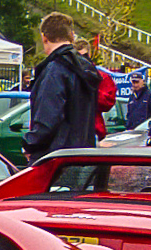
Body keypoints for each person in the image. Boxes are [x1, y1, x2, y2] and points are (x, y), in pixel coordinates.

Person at [22, 12, 101, 164]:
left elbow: (48, 119)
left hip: (55, 159)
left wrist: (30, 144)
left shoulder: (55, 70)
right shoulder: (86, 69)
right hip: (83, 155)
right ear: (71, 35)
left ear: (44, 37)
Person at [73, 39, 115, 139]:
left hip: (92, 130)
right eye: (78, 56)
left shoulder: (101, 77)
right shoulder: (66, 75)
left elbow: (108, 103)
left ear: (90, 54)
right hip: (72, 131)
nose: (82, 60)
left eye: (85, 56)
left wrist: (91, 89)